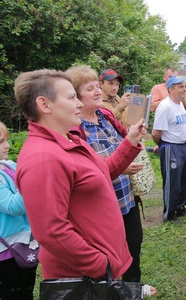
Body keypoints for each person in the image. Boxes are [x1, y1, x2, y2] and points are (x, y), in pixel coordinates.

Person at [13, 69, 156, 297]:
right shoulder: (43, 158)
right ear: (44, 104)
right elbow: (51, 231)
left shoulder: (70, 140)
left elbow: (103, 172)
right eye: (71, 98)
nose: (79, 104)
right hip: (82, 277)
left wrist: (129, 142)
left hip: (97, 271)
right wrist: (101, 265)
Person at [65, 65, 144, 283]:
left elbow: (122, 142)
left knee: (134, 243)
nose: (98, 91)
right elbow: (88, 169)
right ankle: (110, 290)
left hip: (125, 197)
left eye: (96, 87)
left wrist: (134, 137)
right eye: (90, 89)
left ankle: (132, 288)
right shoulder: (74, 128)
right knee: (107, 254)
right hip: (102, 207)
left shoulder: (106, 115)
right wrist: (120, 165)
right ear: (76, 97)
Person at [0, 122, 37, 300]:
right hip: (6, 251)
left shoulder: (8, 165)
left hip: (27, 242)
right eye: (0, 142)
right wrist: (33, 178)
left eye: (6, 140)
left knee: (26, 291)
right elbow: (14, 206)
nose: (7, 145)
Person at [151, 75, 186, 224]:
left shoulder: (180, 103)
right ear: (171, 89)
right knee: (172, 182)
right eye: (180, 86)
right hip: (171, 147)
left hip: (183, 145)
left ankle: (180, 206)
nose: (184, 89)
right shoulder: (165, 107)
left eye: (184, 86)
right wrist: (162, 145)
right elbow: (156, 133)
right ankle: (169, 213)